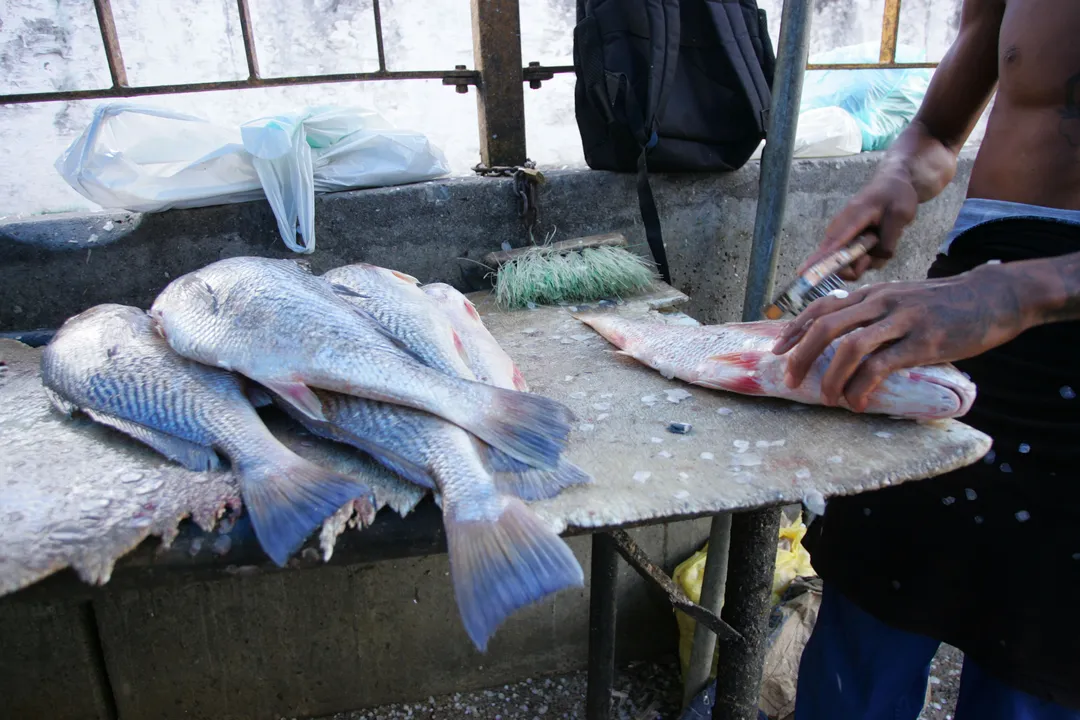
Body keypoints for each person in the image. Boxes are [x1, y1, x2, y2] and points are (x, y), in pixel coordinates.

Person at [777, 0, 1080, 718]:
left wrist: (1021, 289)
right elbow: (938, 132)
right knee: (865, 613)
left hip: (1036, 323)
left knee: (1034, 669)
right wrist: (899, 182)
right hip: (963, 310)